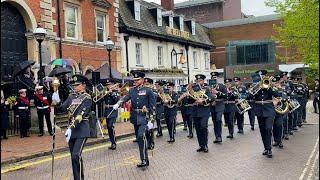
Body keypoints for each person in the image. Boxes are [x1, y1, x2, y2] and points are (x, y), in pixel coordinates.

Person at [52, 74, 92, 180]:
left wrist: (71, 127)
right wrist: (56, 100)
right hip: (72, 131)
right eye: (74, 85)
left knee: (76, 155)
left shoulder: (87, 98)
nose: (75, 87)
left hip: (81, 129)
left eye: (77, 85)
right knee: (74, 157)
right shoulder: (71, 97)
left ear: (83, 85)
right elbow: (62, 108)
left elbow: (81, 115)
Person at [113, 71, 156, 167]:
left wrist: (151, 121)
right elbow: (125, 98)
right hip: (135, 117)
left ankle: (144, 159)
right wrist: (118, 103)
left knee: (141, 136)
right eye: (135, 80)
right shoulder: (132, 90)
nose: (135, 81)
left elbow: (153, 107)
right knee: (139, 138)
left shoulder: (148, 91)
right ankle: (144, 159)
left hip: (144, 117)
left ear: (143, 80)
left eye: (138, 79)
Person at [251, 70, 279, 158]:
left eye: (263, 76)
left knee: (268, 128)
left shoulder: (270, 85)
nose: (262, 77)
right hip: (259, 110)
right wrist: (256, 89)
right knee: (262, 130)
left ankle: (269, 149)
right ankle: (266, 148)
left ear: (265, 76)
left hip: (269, 109)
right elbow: (250, 96)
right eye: (260, 76)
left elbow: (277, 94)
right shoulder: (255, 86)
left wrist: (267, 88)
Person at [192, 74, 213, 152]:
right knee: (197, 129)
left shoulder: (206, 89)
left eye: (200, 80)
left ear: (203, 81)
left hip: (204, 111)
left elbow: (211, 98)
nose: (198, 82)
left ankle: (205, 145)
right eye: (197, 80)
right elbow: (189, 100)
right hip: (195, 111)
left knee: (203, 127)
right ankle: (201, 145)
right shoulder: (193, 89)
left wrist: (203, 101)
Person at [210, 72, 227, 143]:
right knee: (214, 121)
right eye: (213, 77)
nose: (214, 78)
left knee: (218, 119)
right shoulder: (208, 87)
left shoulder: (222, 86)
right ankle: (217, 136)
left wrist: (217, 92)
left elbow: (226, 96)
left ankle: (219, 136)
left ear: (218, 78)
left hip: (220, 104)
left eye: (215, 77)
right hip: (212, 105)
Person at [103, 79, 120, 150]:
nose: (108, 86)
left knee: (110, 126)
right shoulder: (105, 92)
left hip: (113, 111)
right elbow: (100, 100)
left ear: (113, 85)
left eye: (109, 85)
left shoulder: (116, 92)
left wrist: (111, 93)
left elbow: (117, 100)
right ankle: (112, 141)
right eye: (107, 85)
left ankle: (113, 143)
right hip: (107, 111)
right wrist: (106, 93)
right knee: (108, 128)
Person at [144, 78, 156, 149]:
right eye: (145, 84)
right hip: (144, 114)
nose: (146, 86)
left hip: (151, 113)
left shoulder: (154, 93)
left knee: (150, 129)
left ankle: (151, 143)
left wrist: (152, 117)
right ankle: (148, 142)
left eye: (148, 84)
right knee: (145, 130)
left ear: (151, 85)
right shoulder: (143, 92)